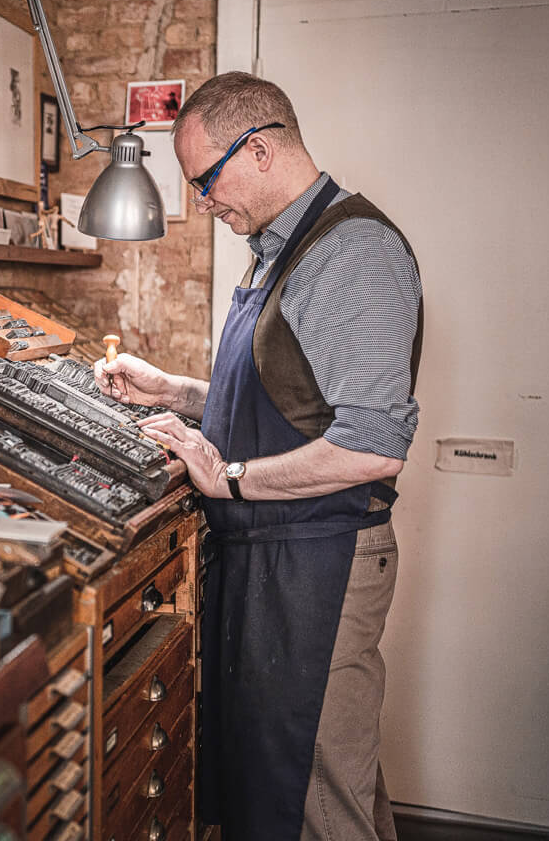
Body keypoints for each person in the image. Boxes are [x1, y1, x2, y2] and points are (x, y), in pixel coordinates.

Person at [94, 72, 423, 841]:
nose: (204, 202)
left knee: (313, 790)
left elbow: (372, 449)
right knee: (306, 774)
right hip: (275, 556)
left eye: (207, 180)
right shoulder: (279, 248)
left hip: (322, 559)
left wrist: (229, 478)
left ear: (263, 149)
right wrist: (173, 391)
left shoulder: (352, 252)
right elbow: (286, 403)